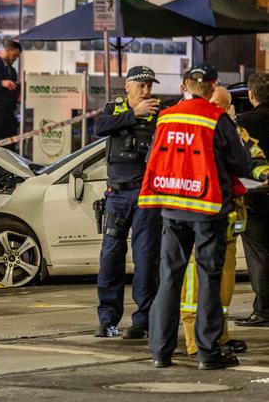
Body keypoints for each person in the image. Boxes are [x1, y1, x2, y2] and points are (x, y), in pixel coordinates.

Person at [140, 64, 252, 370]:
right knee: (208, 278)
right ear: (213, 86)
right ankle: (207, 351)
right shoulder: (216, 117)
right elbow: (241, 164)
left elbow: (154, 158)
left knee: (169, 278)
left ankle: (160, 352)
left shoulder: (167, 116)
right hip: (207, 209)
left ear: (186, 84)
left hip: (172, 207)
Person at [180, 85, 269, 356]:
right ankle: (195, 340)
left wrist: (264, 174)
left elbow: (252, 158)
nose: (225, 111)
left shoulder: (232, 131)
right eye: (220, 105)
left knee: (225, 280)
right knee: (197, 280)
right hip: (201, 217)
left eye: (228, 106)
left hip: (228, 216)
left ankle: (219, 335)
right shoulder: (196, 130)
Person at [93, 65, 162, 339]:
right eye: (141, 85)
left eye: (149, 86)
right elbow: (99, 127)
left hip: (146, 196)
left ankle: (142, 322)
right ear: (128, 86)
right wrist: (134, 114)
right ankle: (107, 320)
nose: (146, 91)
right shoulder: (114, 109)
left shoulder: (159, 113)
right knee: (110, 257)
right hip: (117, 196)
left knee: (145, 260)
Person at [235, 73, 269, 327]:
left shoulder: (243, 122)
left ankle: (264, 310)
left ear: (251, 95)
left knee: (258, 253)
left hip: (257, 197)